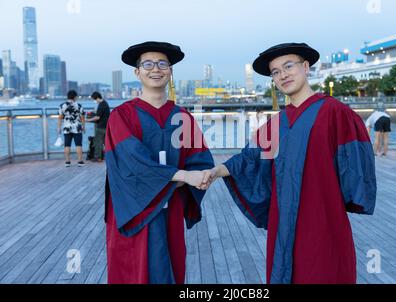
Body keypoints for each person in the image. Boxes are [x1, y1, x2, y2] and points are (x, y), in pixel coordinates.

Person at [202, 43, 377, 284]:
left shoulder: (335, 112)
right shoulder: (277, 123)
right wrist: (218, 171)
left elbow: (357, 165)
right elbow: (250, 157)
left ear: (306, 67)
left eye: (288, 66)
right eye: (275, 71)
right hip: (283, 221)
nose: (282, 75)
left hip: (324, 219)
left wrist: (348, 198)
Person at [105, 41, 214, 284]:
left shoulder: (182, 117)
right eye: (148, 64)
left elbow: (200, 161)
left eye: (163, 63)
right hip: (133, 211)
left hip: (170, 208)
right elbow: (131, 163)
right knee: (133, 272)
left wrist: (188, 177)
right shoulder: (121, 116)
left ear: (171, 70)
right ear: (137, 72)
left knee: (172, 269)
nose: (156, 69)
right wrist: (182, 176)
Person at [57, 90, 86, 167]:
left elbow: (60, 118)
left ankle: (67, 162)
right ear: (75, 97)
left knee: (67, 145)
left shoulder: (62, 106)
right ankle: (80, 161)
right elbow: (82, 117)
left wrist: (59, 128)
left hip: (67, 127)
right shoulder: (79, 106)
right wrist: (83, 126)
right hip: (77, 127)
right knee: (78, 145)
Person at [86, 91, 110, 161]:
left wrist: (87, 120)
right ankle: (110, 155)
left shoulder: (101, 104)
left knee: (98, 142)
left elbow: (97, 117)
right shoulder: (105, 103)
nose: (95, 101)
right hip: (106, 126)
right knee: (106, 142)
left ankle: (98, 157)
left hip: (101, 126)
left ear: (97, 98)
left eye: (94, 99)